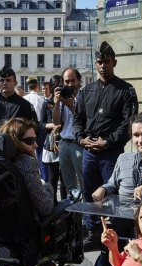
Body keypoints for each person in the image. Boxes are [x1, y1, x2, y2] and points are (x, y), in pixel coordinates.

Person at [74, 42, 138, 249]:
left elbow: (130, 124)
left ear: (114, 62)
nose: (103, 66)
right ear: (96, 63)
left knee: (114, 195)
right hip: (89, 152)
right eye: (100, 62)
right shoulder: (87, 91)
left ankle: (116, 234)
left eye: (107, 62)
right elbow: (77, 120)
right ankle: (93, 232)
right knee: (90, 192)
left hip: (111, 152)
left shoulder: (126, 90)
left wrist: (108, 141)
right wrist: (80, 139)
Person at [0, 118, 54, 218]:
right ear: (14, 141)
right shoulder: (28, 162)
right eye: (30, 141)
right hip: (27, 225)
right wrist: (46, 185)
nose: (36, 145)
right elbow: (45, 207)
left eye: (35, 139)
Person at [54, 67, 84, 196]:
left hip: (78, 144)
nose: (70, 85)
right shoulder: (62, 97)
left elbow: (82, 121)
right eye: (67, 82)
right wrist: (56, 103)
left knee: (83, 182)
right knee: (69, 186)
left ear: (79, 81)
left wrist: (70, 105)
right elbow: (56, 122)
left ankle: (86, 214)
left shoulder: (84, 98)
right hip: (64, 143)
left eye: (73, 81)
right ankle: (73, 215)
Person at [40, 75, 67, 203]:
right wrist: (51, 125)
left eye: (62, 86)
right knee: (53, 178)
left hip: (66, 142)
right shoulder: (47, 103)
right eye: (57, 87)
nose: (60, 89)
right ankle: (53, 205)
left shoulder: (68, 101)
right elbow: (40, 124)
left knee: (65, 180)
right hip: (51, 145)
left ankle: (66, 205)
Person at [0, 66, 37, 131]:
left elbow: (33, 129)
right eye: (2, 80)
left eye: (8, 80)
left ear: (15, 83)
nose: (4, 83)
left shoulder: (24, 105)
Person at [24, 76, 47, 180]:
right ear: (37, 86)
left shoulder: (24, 99)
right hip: (38, 127)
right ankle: (44, 177)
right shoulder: (41, 99)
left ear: (29, 87)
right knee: (41, 154)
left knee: (26, 154)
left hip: (26, 128)